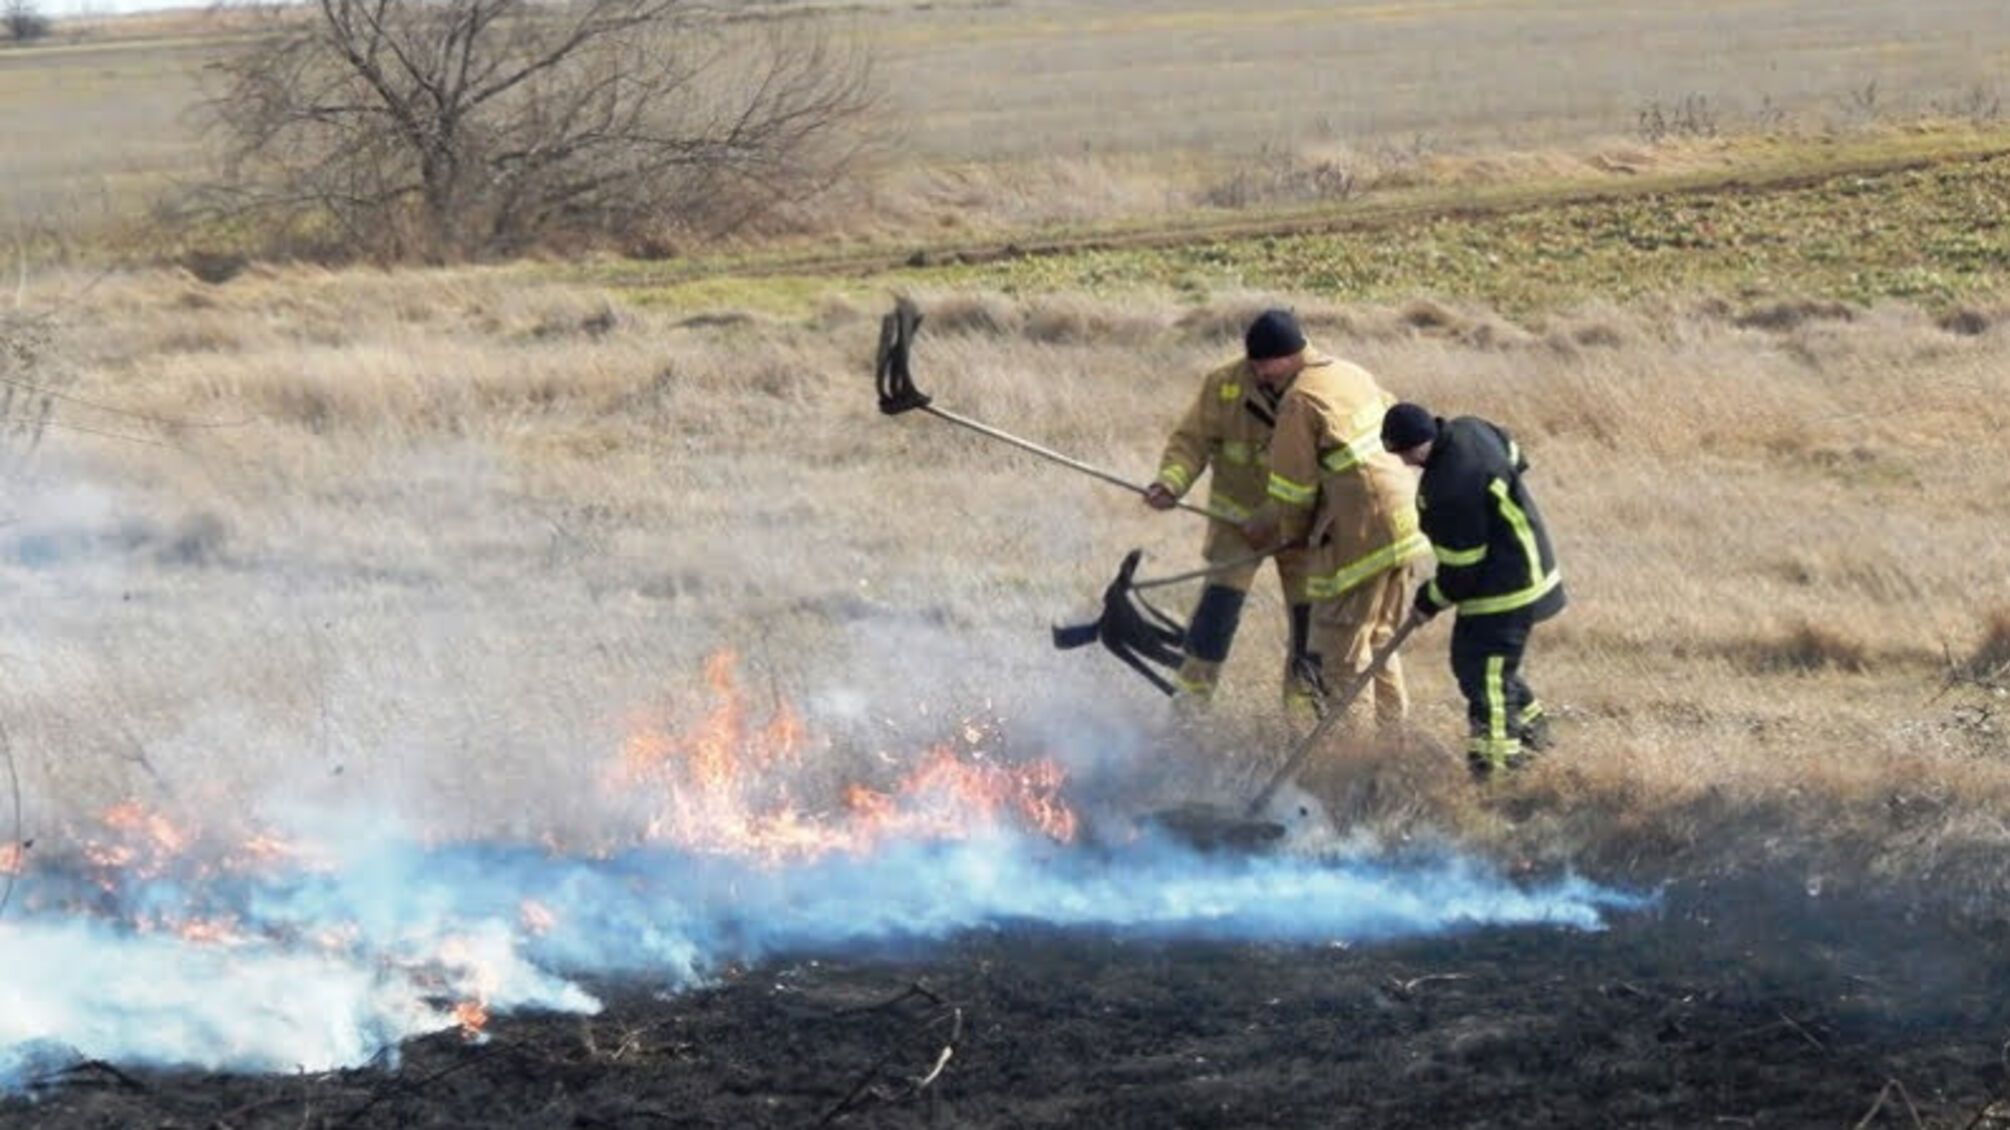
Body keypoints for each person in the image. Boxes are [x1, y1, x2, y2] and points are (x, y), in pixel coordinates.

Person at [1238, 311, 1429, 731]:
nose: (1259, 376)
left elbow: (1295, 489)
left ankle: (1351, 761)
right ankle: (1390, 748)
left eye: (1260, 366)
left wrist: (1287, 536)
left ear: (1279, 358)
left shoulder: (1299, 401)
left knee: (1342, 657)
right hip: (1404, 523)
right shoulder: (1350, 373)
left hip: (1361, 535)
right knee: (1380, 642)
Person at [1380, 402, 1566, 778]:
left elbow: (1462, 570)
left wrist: (1429, 601)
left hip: (1505, 587)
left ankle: (1496, 773)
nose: (1403, 463)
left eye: (1403, 453)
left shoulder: (1446, 489)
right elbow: (1516, 456)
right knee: (1474, 663)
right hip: (1526, 563)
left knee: (1486, 675)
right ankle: (1535, 733)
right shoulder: (1472, 428)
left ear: (1418, 443)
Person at [1143, 311, 1312, 708]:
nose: (1257, 372)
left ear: (1293, 356)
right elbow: (1190, 441)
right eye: (1252, 363)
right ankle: (1189, 708)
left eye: (1266, 365)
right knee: (1214, 620)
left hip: (1302, 528)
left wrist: (1271, 517)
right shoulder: (1224, 385)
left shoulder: (1321, 386)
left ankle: (1302, 719)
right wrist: (1171, 482)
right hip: (1236, 526)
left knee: (1310, 628)